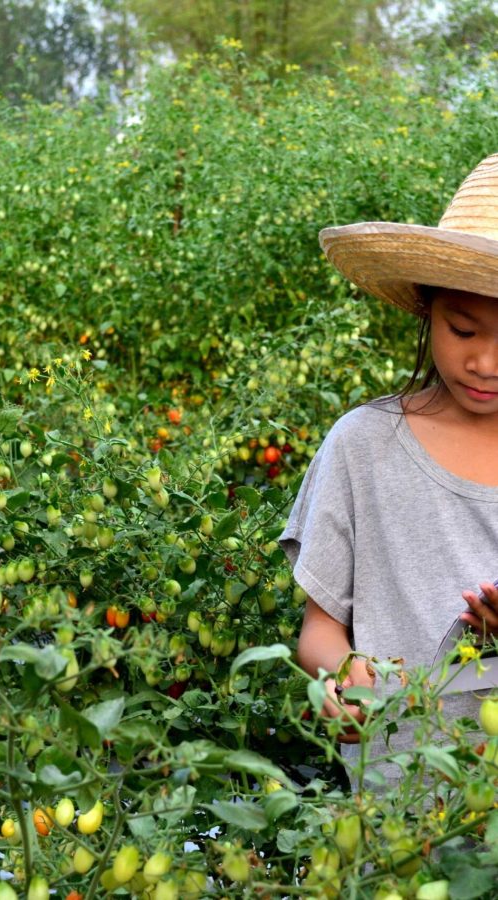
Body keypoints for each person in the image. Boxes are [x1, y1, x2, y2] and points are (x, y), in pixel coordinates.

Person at [279, 152, 498, 779]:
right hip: (395, 814)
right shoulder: (365, 446)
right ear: (427, 312)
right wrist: (341, 677)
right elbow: (320, 630)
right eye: (463, 330)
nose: (486, 362)